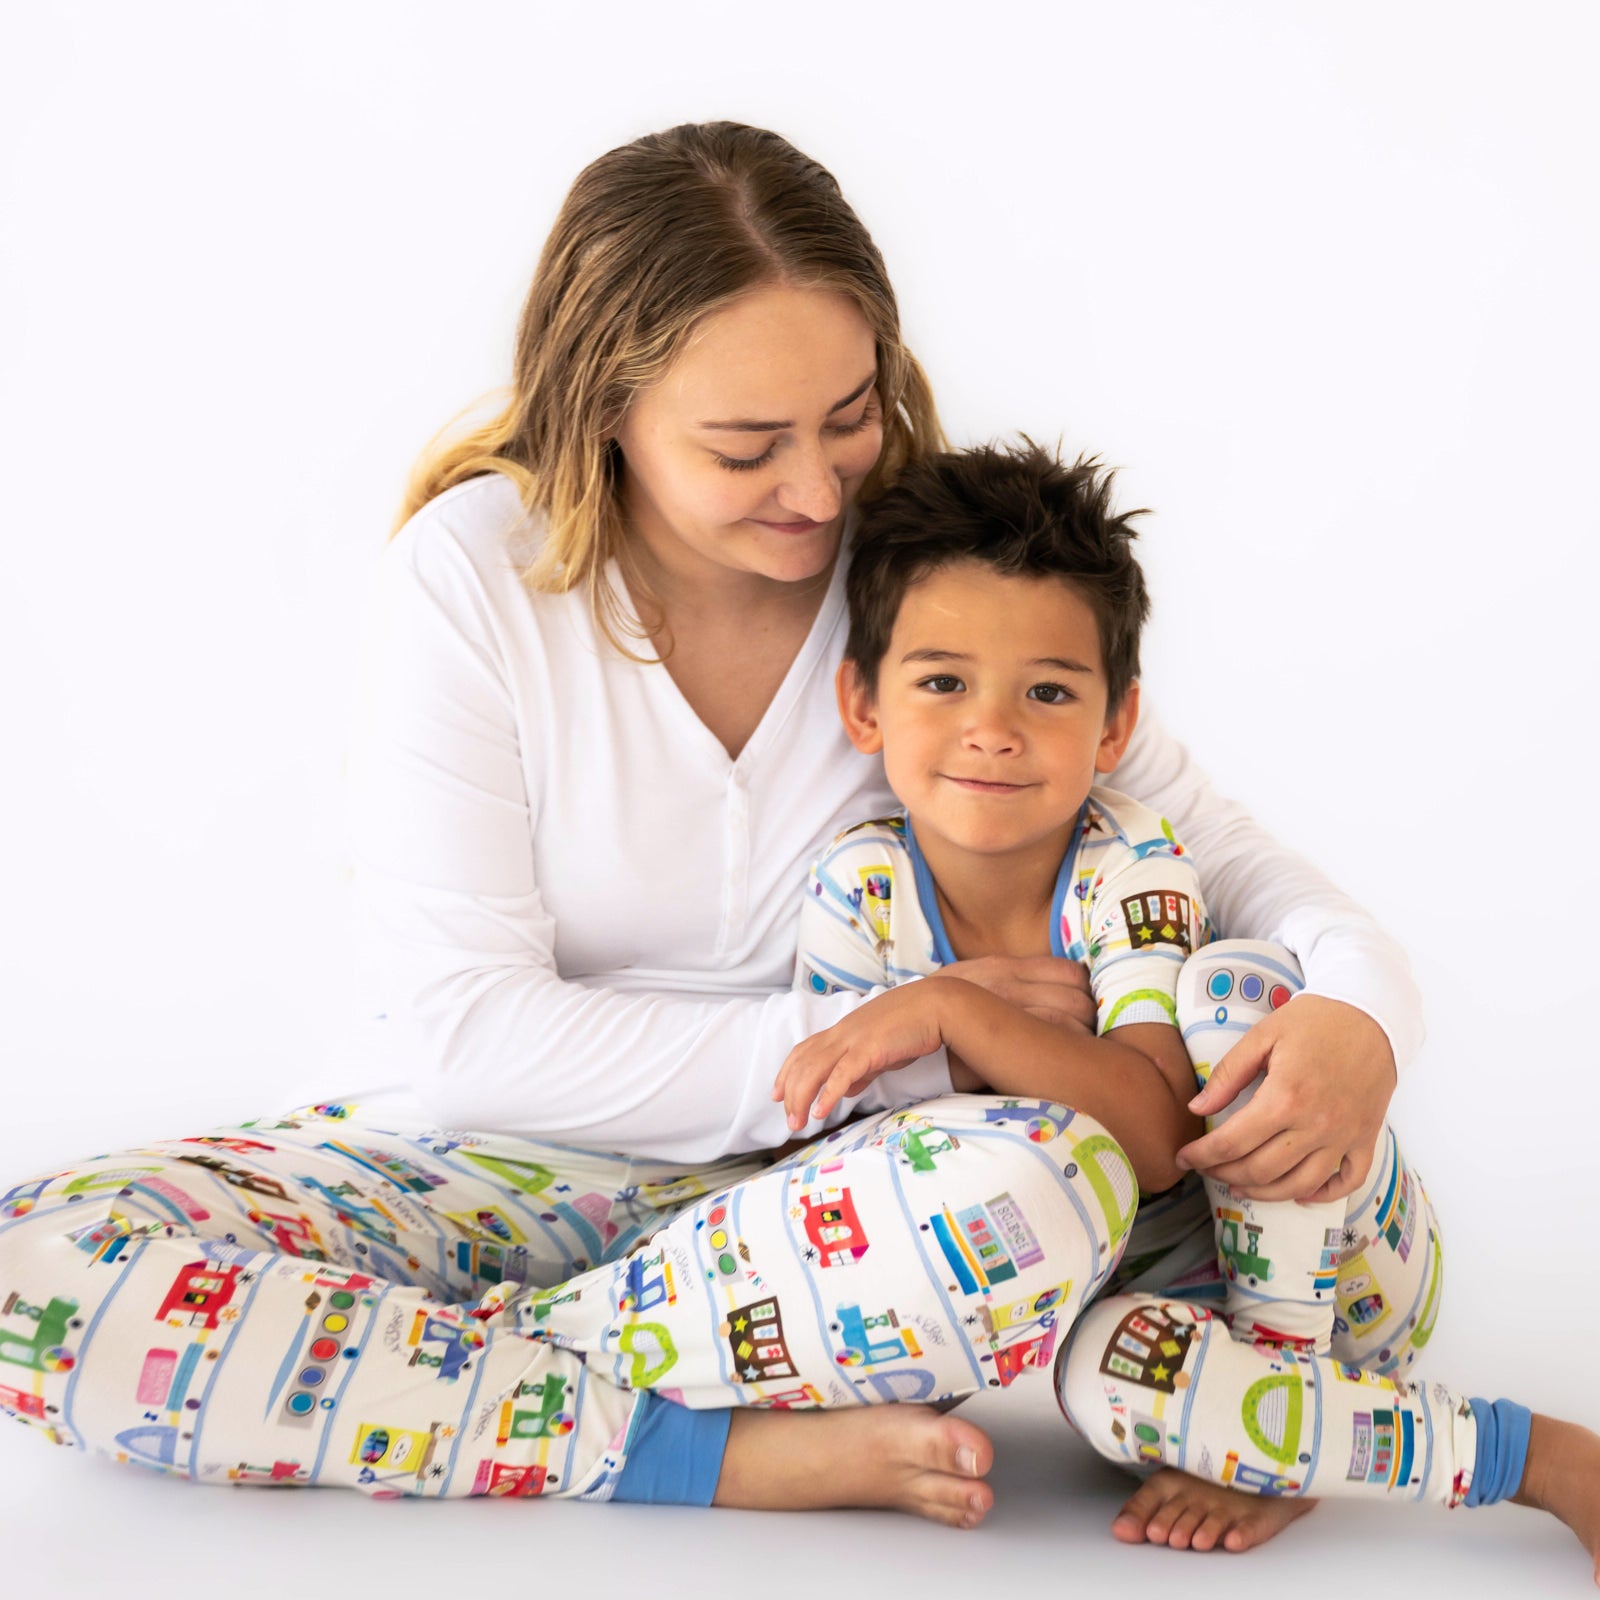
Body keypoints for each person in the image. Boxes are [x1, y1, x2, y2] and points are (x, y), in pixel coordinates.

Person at [0, 121, 1416, 1542]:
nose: (818, 492)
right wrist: (898, 1036)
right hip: (493, 1159)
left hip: (845, 1211)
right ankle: (696, 1443)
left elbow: (1218, 853)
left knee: (1046, 1186)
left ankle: (412, 1366)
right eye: (745, 446)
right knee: (32, 1278)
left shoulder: (924, 574)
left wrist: (1362, 1007)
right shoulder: (473, 580)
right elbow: (467, 1032)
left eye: (849, 417)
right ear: (602, 409)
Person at [778, 436, 1600, 1571]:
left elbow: (1161, 1134)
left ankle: (1521, 1453)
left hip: (1334, 1251)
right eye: (941, 681)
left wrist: (954, 1014)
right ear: (860, 703)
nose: (993, 726)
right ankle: (1288, 1439)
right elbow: (857, 1150)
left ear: (1113, 728)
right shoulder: (853, 890)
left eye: (1049, 691)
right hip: (1153, 1320)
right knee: (1092, 1387)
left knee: (1232, 989)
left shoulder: (1131, 863)